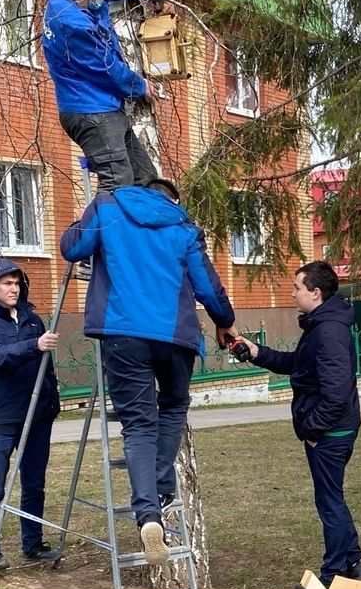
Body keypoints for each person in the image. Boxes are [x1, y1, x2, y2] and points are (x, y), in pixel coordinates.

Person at [60, 179, 236, 565]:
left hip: (123, 333)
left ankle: (147, 514)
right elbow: (207, 286)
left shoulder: (107, 208)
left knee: (138, 424)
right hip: (174, 336)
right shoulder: (182, 226)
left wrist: (87, 212)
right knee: (172, 407)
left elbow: (72, 248)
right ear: (171, 197)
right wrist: (225, 321)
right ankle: (159, 491)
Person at [236, 261, 361, 589]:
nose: (293, 293)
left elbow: (337, 392)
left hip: (330, 433)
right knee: (332, 497)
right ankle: (356, 563)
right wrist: (256, 352)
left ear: (315, 292)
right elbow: (297, 364)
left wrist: (313, 428)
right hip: (331, 430)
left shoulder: (328, 331)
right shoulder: (321, 326)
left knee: (329, 503)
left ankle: (333, 574)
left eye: (297, 287)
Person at [0, 259, 61, 573]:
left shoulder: (33, 320)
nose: (14, 288)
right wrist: (34, 345)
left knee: (34, 484)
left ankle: (33, 544)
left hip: (36, 417)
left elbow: (48, 369)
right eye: (6, 283)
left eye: (17, 283)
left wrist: (52, 402)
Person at [43, 0, 169, 192]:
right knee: (116, 183)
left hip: (104, 107)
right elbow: (106, 69)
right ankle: (98, 232)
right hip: (90, 112)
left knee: (145, 178)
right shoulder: (72, 24)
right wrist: (140, 85)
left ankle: (137, 230)